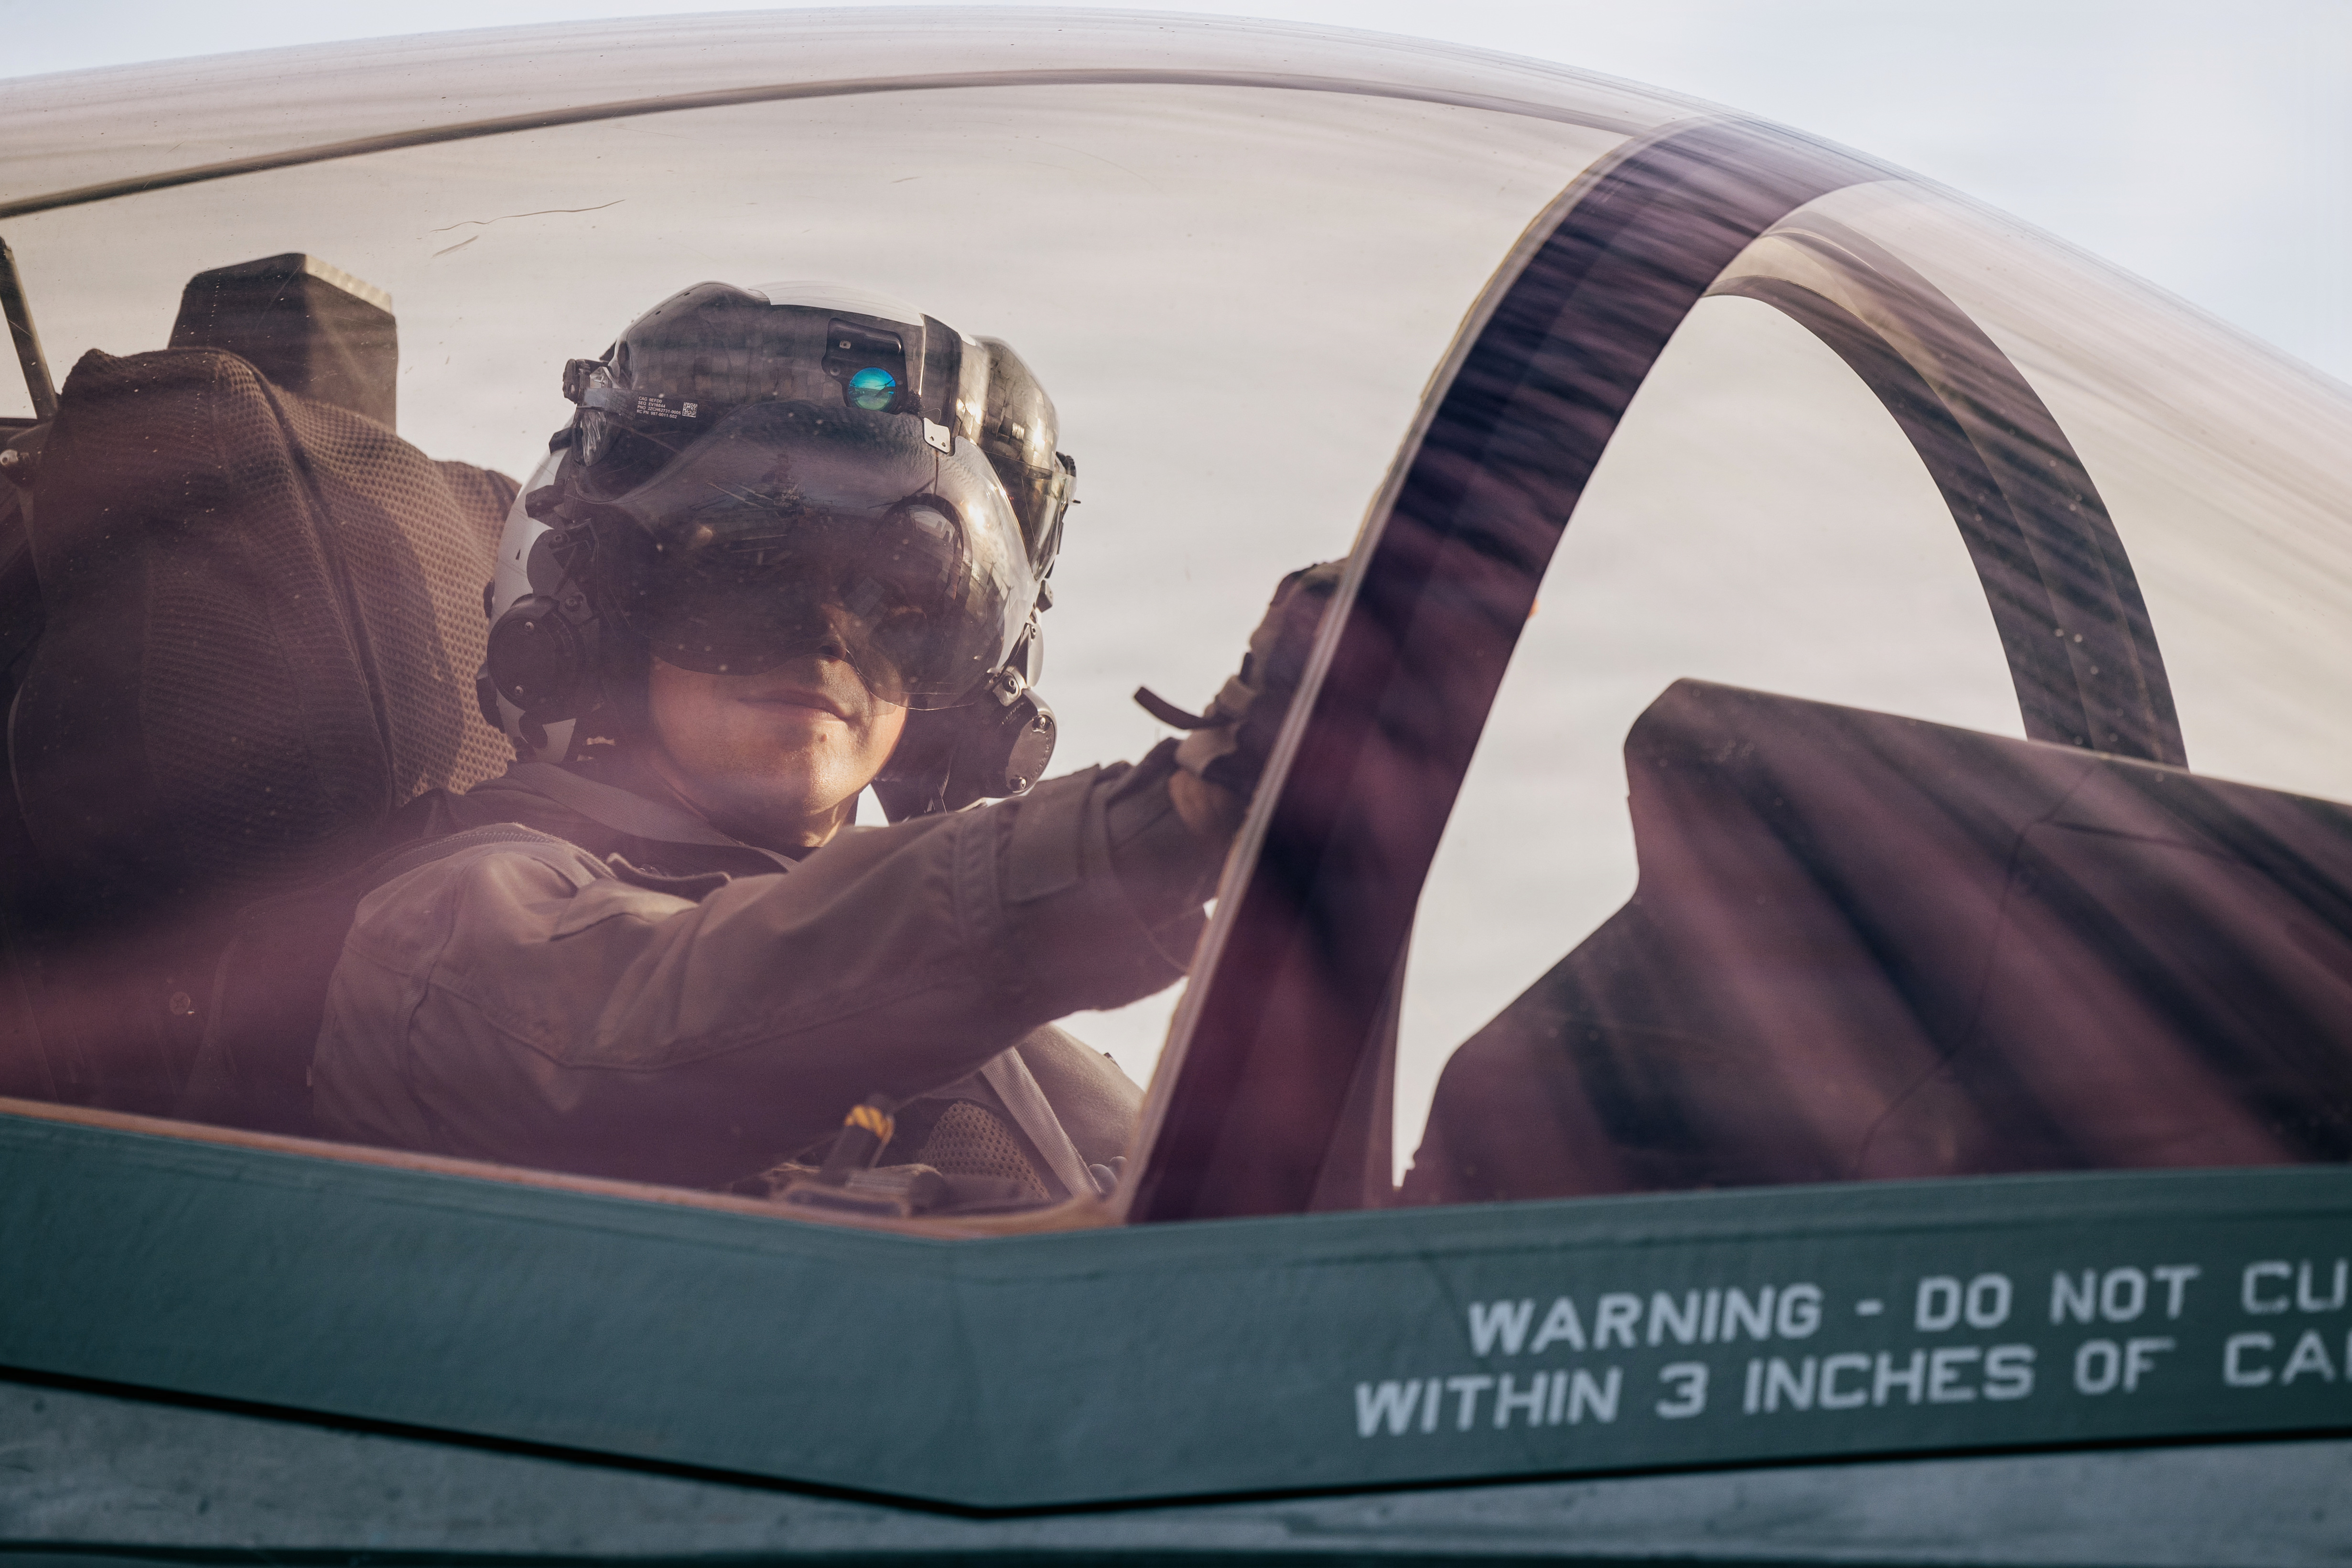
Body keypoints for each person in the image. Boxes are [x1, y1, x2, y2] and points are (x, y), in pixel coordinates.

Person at [302, 281, 1337, 1210]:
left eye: (902, 602)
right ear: (602, 606)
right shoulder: (453, 919)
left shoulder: (988, 1022)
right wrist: (1163, 821)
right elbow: (650, 1028)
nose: (827, 641)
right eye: (747, 574)